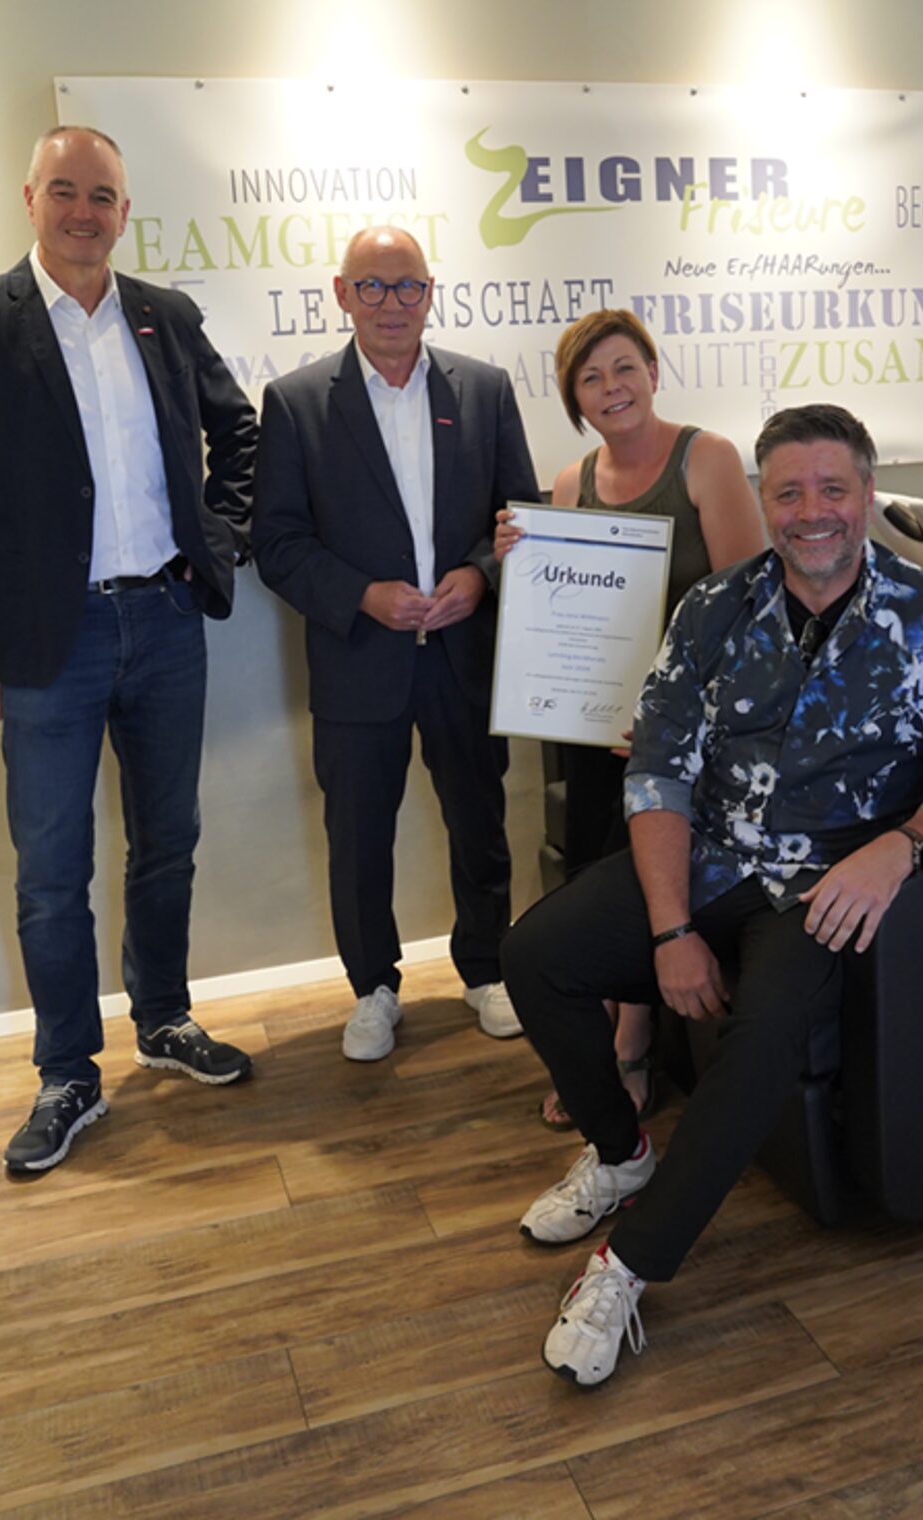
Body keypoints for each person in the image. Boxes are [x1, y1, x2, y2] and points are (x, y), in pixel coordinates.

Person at [502, 403, 923, 1387]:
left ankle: (628, 1265)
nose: (810, 511)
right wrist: (669, 930)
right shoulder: (711, 608)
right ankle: (619, 1150)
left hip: (825, 879)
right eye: (787, 491)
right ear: (761, 501)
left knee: (766, 1030)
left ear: (865, 493)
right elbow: (655, 772)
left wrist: (898, 848)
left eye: (832, 488)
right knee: (533, 954)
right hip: (711, 854)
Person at [0, 126, 260, 1174]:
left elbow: (237, 432)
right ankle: (68, 1070)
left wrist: (217, 539)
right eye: (63, 191)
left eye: (101, 195)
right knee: (51, 875)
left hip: (162, 621)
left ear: (122, 207)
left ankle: (162, 1018)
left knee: (168, 842)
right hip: (41, 642)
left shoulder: (163, 315)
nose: (83, 211)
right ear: (29, 198)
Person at [253, 227, 539, 1061]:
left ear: (431, 291)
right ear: (340, 293)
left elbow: (518, 514)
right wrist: (362, 597)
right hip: (357, 660)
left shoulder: (482, 390)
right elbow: (276, 539)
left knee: (480, 823)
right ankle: (373, 988)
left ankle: (486, 969)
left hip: (464, 655)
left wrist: (481, 576)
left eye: (407, 287)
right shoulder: (298, 402)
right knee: (358, 838)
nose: (391, 304)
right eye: (372, 288)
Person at [494, 309, 763, 1125]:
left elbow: (752, 614)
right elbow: (566, 616)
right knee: (589, 882)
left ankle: (630, 1049)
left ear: (653, 371)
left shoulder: (706, 460)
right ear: (573, 397)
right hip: (595, 721)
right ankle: (608, 1025)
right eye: (590, 377)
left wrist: (680, 719)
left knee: (640, 871)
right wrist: (523, 562)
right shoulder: (571, 483)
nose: (611, 388)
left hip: (685, 733)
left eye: (624, 368)